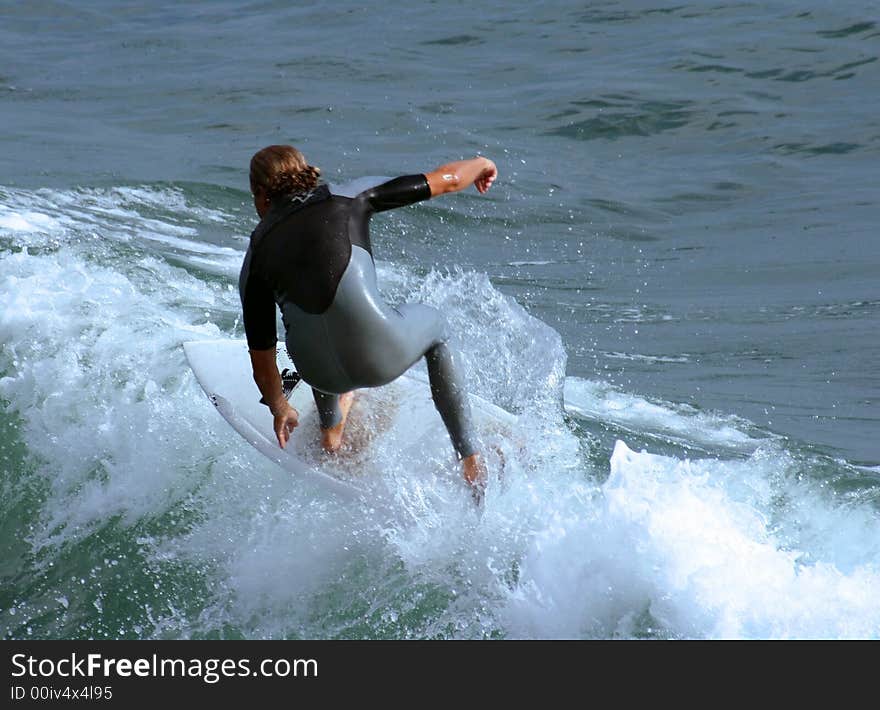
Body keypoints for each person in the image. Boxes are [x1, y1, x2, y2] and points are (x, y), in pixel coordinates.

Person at [239, 145, 498, 494]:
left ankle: (331, 432)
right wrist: (481, 164)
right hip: (382, 357)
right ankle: (470, 459)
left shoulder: (255, 254)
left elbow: (263, 363)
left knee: (306, 318)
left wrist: (280, 407)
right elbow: (448, 180)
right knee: (437, 325)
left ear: (260, 195)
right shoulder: (350, 197)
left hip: (319, 374)